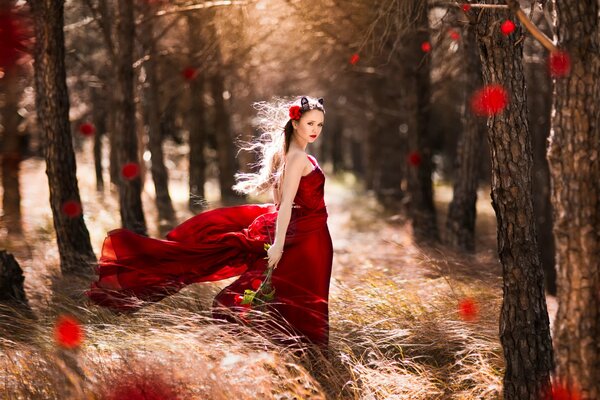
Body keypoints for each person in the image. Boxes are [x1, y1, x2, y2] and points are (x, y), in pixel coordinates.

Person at [85, 95, 333, 349]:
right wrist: (278, 244)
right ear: (295, 123)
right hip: (305, 239)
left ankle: (297, 353)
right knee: (295, 296)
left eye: (320, 125)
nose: (315, 130)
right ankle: (297, 352)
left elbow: (281, 203)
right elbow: (285, 206)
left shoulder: (295, 155)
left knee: (300, 296)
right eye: (310, 123)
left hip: (312, 236)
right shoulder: (296, 158)